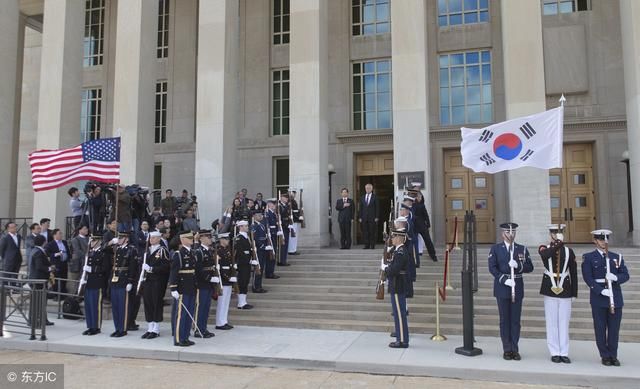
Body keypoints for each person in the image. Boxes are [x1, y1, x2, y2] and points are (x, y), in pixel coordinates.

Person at [582, 229, 630, 367]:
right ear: (595, 241)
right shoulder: (589, 257)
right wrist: (600, 291)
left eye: (605, 239)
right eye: (601, 239)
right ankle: (604, 355)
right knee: (600, 328)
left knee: (614, 329)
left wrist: (616, 278)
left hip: (615, 296)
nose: (603, 242)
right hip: (599, 297)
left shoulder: (616, 257)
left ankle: (613, 355)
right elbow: (588, 278)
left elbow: (625, 275)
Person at [488, 222, 534, 361]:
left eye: (513, 232)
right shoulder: (496, 249)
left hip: (517, 286)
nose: (510, 235)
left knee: (515, 320)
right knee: (504, 320)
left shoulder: (522, 249)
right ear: (503, 234)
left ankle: (515, 348)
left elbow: (530, 267)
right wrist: (503, 279)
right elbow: (492, 268)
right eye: (508, 232)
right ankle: (507, 349)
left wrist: (518, 266)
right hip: (503, 286)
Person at [538, 223, 577, 364]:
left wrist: (574, 293)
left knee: (563, 322)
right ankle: (554, 351)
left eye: (559, 232)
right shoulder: (544, 248)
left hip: (565, 289)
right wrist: (558, 244)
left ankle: (564, 352)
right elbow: (546, 256)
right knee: (552, 322)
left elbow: (573, 272)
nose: (556, 234)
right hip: (550, 288)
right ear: (550, 234)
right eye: (553, 232)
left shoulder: (569, 251)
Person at [140, 231, 171, 339]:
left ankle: (156, 329)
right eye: (150, 238)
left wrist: (152, 269)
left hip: (157, 281)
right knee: (148, 303)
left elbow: (166, 267)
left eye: (153, 238)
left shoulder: (162, 251)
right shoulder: (147, 251)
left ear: (158, 239)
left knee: (156, 303)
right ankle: (150, 328)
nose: (151, 240)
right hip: (147, 281)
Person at [383, 227, 410, 348]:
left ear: (399, 238)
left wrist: (386, 269)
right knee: (398, 313)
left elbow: (395, 270)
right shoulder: (398, 251)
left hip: (398, 285)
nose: (392, 239)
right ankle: (400, 338)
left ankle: (402, 341)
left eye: (394, 237)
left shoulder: (401, 252)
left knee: (399, 314)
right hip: (396, 285)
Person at [169, 231, 198, 347]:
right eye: (189, 237)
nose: (192, 239)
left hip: (191, 287)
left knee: (189, 313)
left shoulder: (192, 252)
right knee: (181, 315)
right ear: (183, 239)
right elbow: (174, 272)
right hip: (182, 288)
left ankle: (185, 337)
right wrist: (173, 288)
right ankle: (178, 338)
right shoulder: (179, 254)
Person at [109, 232, 137, 337]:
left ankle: (123, 328)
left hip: (124, 279)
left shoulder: (131, 249)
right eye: (118, 238)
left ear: (126, 239)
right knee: (115, 306)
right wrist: (111, 242)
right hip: (115, 279)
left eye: (121, 238)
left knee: (123, 306)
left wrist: (130, 281)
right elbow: (104, 249)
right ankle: (117, 328)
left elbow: (133, 267)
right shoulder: (117, 249)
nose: (119, 239)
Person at [80, 234, 109, 335]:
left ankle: (96, 327)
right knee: (88, 305)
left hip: (97, 282)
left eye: (93, 241)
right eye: (91, 241)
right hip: (88, 282)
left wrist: (92, 269)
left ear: (99, 242)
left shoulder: (103, 253)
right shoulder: (90, 252)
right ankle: (90, 326)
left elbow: (105, 268)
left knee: (96, 306)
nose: (91, 243)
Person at [193, 229, 218, 338]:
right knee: (200, 307)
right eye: (208, 237)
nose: (210, 239)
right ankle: (198, 330)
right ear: (202, 238)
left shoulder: (209, 251)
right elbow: (198, 269)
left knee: (206, 307)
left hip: (208, 284)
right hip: (202, 284)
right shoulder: (199, 252)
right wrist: (209, 278)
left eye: (210, 237)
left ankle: (203, 328)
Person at [28, 235, 55, 326]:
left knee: (40, 301)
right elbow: (39, 266)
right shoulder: (38, 252)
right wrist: (49, 269)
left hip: (37, 280)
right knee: (38, 302)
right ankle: (35, 320)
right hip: (38, 280)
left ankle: (42, 319)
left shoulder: (35, 250)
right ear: (44, 242)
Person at [215, 232, 235, 330]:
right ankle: (219, 322)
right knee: (222, 302)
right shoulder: (218, 251)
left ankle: (224, 320)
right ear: (221, 240)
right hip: (223, 279)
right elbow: (219, 267)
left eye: (228, 239)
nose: (228, 241)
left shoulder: (227, 250)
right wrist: (227, 277)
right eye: (226, 239)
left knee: (226, 302)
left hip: (229, 279)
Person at [412, 184, 437, 262]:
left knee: (428, 240)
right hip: (414, 225)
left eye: (417, 189)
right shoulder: (411, 199)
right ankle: (415, 257)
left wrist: (428, 224)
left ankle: (433, 255)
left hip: (422, 224)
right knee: (413, 241)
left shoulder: (421, 203)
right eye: (415, 189)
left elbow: (425, 214)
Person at [45, 229, 70, 295]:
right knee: (56, 280)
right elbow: (47, 253)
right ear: (54, 235)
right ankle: (56, 294)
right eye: (59, 233)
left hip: (64, 263)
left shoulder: (64, 242)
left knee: (64, 279)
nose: (61, 235)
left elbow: (68, 251)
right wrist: (55, 254)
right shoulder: (51, 244)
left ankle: (63, 294)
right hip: (56, 264)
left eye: (61, 233)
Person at [235, 220, 254, 309]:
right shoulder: (239, 238)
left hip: (246, 263)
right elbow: (241, 252)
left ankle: (243, 301)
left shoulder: (246, 237)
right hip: (242, 264)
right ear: (241, 227)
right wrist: (249, 260)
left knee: (245, 281)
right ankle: (241, 303)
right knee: (242, 282)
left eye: (247, 226)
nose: (247, 227)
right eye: (245, 226)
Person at [251, 210, 270, 293]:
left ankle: (259, 285)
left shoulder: (261, 225)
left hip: (263, 248)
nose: (261, 217)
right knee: (257, 268)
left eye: (261, 215)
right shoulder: (254, 226)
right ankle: (256, 286)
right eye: (259, 215)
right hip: (258, 249)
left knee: (261, 268)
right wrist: (262, 246)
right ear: (254, 216)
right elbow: (254, 238)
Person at [359, 183, 379, 250]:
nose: (367, 189)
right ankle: (366, 245)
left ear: (371, 189)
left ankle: (372, 245)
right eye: (366, 188)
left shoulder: (375, 197)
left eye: (369, 188)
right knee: (365, 232)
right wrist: (360, 217)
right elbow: (360, 208)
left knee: (372, 232)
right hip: (364, 218)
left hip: (372, 217)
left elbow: (377, 207)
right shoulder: (362, 197)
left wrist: (377, 217)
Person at [264, 199, 280, 280]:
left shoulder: (273, 213)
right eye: (273, 204)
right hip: (270, 236)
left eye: (275, 204)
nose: (275, 205)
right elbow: (267, 226)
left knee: (273, 254)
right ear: (269, 204)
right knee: (270, 255)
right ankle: (269, 273)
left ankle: (271, 271)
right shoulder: (267, 213)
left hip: (274, 235)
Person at [277, 192, 292, 266]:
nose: (287, 199)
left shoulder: (286, 206)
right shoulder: (280, 206)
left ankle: (283, 259)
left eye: (287, 198)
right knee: (282, 245)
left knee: (285, 245)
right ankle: (281, 260)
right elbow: (280, 218)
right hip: (282, 228)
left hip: (286, 227)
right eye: (285, 198)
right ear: (282, 198)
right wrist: (286, 225)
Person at [288, 190, 301, 255]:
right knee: (292, 236)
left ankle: (293, 249)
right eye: (292, 194)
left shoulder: (293, 201)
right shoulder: (289, 202)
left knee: (294, 236)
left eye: (294, 194)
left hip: (295, 220)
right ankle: (291, 250)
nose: (294, 195)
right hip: (292, 220)